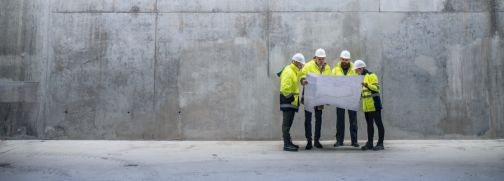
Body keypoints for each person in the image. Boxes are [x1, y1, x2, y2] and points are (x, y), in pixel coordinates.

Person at [299, 48, 331, 150]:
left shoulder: (327, 68)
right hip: (309, 94)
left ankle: (316, 141)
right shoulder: (308, 65)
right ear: (315, 57)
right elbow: (302, 75)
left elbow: (329, 80)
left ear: (324, 58)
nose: (321, 60)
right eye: (319, 58)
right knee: (308, 119)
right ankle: (309, 141)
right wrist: (303, 80)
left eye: (322, 58)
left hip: (320, 95)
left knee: (319, 119)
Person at [353, 60, 385, 151]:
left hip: (374, 104)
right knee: (369, 125)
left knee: (379, 124)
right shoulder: (359, 77)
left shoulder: (372, 76)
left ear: (361, 68)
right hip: (366, 106)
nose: (355, 72)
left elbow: (376, 88)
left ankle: (380, 143)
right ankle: (370, 143)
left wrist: (367, 85)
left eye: (356, 70)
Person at [278, 53, 306, 152]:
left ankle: (288, 142)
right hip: (288, 102)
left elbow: (301, 74)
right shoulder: (289, 71)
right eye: (301, 64)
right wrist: (290, 98)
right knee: (286, 124)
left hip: (291, 102)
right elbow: (285, 87)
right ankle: (286, 144)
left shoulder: (294, 71)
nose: (302, 66)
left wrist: (304, 79)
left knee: (288, 123)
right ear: (296, 63)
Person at [332, 50, 359, 148]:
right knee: (340, 121)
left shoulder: (355, 69)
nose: (344, 61)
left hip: (351, 97)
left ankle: (354, 141)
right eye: (343, 59)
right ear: (340, 59)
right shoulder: (335, 70)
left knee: (353, 120)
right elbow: (331, 83)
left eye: (346, 60)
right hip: (340, 98)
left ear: (349, 60)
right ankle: (339, 141)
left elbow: (358, 81)